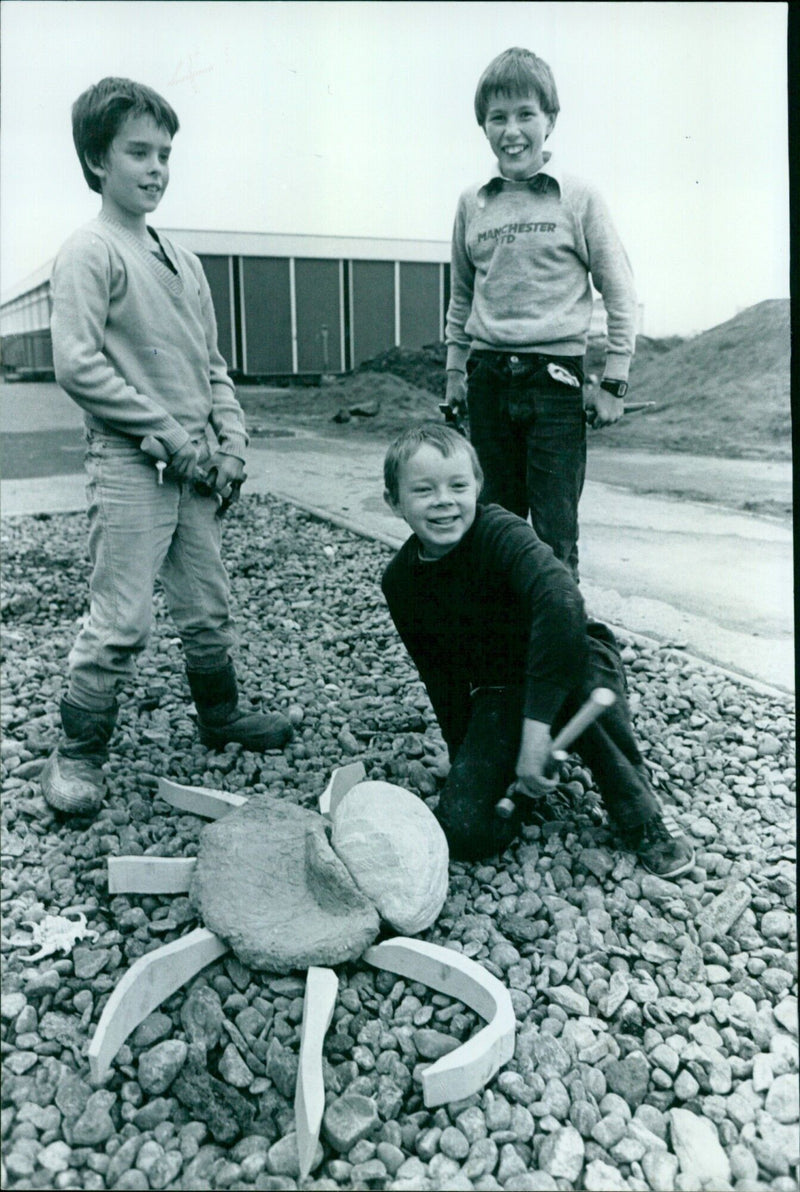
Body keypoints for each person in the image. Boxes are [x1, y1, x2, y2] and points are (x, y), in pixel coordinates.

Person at [41, 77, 293, 817]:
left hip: (198, 467)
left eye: (165, 154)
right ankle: (78, 752)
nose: (155, 168)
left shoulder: (181, 258)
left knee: (209, 607)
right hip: (133, 465)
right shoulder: (89, 251)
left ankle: (220, 716)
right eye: (138, 153)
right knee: (122, 618)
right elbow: (78, 365)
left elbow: (212, 365)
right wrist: (170, 440)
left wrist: (232, 445)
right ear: (96, 161)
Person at [381, 424, 695, 878]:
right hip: (503, 688)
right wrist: (463, 751)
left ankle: (641, 813)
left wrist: (535, 730)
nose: (444, 500)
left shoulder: (502, 531)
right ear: (394, 502)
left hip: (573, 659)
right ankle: (534, 777)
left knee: (582, 684)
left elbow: (562, 601)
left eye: (458, 486)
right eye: (424, 490)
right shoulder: (401, 583)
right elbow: (442, 678)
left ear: (478, 487)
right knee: (465, 831)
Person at [444, 47, 637, 579]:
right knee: (492, 527)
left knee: (554, 537)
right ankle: (504, 654)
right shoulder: (471, 204)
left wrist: (613, 382)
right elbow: (461, 298)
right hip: (486, 383)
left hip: (555, 387)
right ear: (483, 126)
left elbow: (619, 292)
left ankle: (558, 655)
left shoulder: (578, 199)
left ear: (550, 120)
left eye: (526, 114)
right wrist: (455, 374)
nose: (512, 131)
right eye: (497, 118)